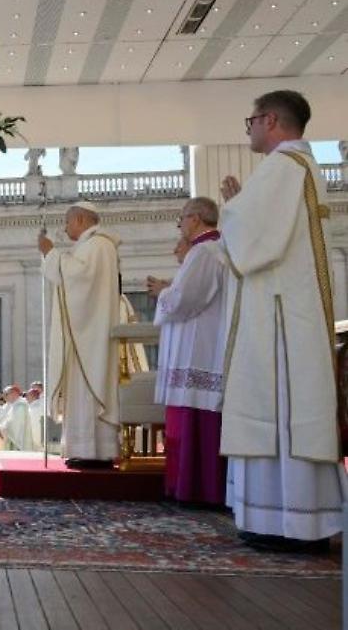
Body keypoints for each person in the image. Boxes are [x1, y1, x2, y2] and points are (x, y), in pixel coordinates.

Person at [219, 90, 346, 552]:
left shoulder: (281, 167)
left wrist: (231, 212)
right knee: (293, 412)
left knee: (275, 409)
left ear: (270, 120)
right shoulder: (306, 168)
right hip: (293, 312)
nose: (249, 128)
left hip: (277, 321)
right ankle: (298, 519)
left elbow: (249, 246)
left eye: (250, 120)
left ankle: (284, 524)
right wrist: (241, 206)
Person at [148, 197, 228, 506]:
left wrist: (163, 292)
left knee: (197, 420)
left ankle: (197, 489)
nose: (180, 225)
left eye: (181, 219)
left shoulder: (205, 252)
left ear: (195, 219)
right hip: (197, 347)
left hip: (198, 351)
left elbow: (185, 300)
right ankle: (184, 486)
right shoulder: (208, 251)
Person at [39, 201, 122, 468]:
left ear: (82, 219)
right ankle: (83, 449)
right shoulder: (91, 246)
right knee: (80, 390)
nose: (65, 228)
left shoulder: (98, 245)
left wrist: (51, 253)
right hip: (83, 334)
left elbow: (79, 277)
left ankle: (93, 452)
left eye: (67, 222)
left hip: (89, 335)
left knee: (87, 388)